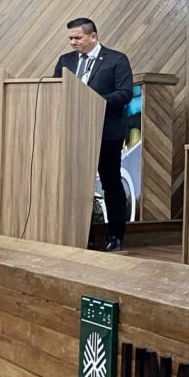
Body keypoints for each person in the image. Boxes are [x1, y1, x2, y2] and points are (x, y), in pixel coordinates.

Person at [53, 18, 133, 252]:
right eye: (70, 38)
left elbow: (125, 93)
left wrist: (92, 101)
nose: (73, 42)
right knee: (76, 187)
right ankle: (80, 236)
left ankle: (115, 236)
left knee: (111, 184)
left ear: (93, 36)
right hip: (72, 133)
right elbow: (56, 90)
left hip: (106, 133)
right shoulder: (65, 61)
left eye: (77, 37)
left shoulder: (116, 59)